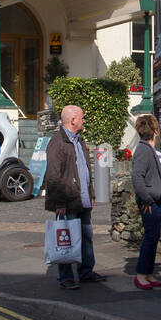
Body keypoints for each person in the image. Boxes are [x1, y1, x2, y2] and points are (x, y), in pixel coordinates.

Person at [44, 104, 106, 288]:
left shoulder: (79, 140)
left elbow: (85, 169)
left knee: (86, 236)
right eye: (82, 117)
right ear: (72, 120)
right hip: (67, 200)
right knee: (65, 239)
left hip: (82, 199)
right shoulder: (57, 143)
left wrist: (91, 194)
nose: (84, 120)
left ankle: (86, 272)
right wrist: (59, 202)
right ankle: (66, 277)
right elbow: (53, 176)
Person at [131, 114, 161, 289]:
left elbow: (153, 175)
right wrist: (147, 200)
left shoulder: (150, 149)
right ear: (155, 130)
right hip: (151, 202)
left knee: (154, 237)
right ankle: (141, 275)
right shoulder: (143, 149)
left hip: (158, 200)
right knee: (150, 237)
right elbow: (137, 177)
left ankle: (148, 273)